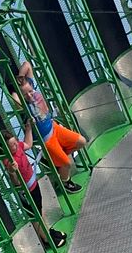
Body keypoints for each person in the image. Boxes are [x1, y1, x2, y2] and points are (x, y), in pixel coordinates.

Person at [13, 61, 86, 193]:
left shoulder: (33, 89)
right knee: (66, 164)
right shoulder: (24, 105)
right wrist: (17, 90)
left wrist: (20, 77)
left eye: (30, 91)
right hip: (47, 139)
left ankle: (54, 160)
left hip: (55, 127)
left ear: (31, 86)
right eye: (25, 95)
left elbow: (27, 64)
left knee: (81, 141)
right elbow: (15, 99)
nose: (29, 95)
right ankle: (66, 182)